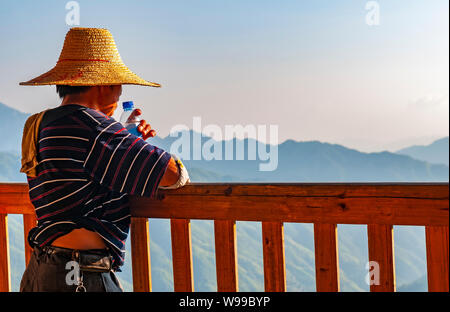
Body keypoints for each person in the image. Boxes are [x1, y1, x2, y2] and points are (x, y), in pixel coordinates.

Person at [18, 27, 189, 292]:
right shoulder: (96, 128)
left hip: (42, 268)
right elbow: (174, 175)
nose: (120, 94)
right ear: (103, 84)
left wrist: (122, 137)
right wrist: (123, 137)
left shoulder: (41, 124)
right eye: (118, 85)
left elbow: (79, 174)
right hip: (79, 274)